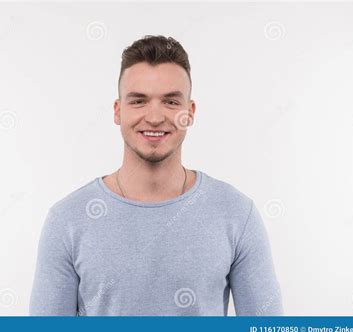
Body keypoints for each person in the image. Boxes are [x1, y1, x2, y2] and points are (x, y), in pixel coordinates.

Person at [29, 35, 283, 316]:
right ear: (118, 111)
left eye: (171, 102)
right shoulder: (67, 220)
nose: (154, 117)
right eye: (138, 101)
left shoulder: (236, 213)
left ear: (190, 112)